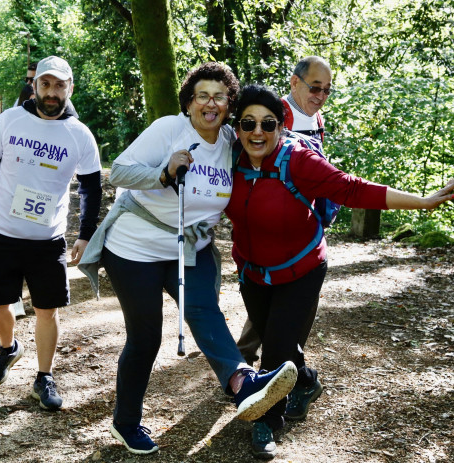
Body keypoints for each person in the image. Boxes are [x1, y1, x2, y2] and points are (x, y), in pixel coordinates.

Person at [226, 83, 454, 458]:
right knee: (281, 340)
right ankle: (305, 382)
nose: (258, 132)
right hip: (253, 273)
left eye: (268, 123)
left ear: (281, 127)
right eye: (248, 123)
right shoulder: (229, 159)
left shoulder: (298, 160)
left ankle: (267, 422)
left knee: (275, 350)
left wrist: (419, 202)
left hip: (301, 270)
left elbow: (352, 189)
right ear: (237, 126)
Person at [78, 62, 299, 456]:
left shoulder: (233, 139)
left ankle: (242, 383)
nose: (210, 104)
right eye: (202, 96)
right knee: (146, 337)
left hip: (190, 248)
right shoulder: (169, 129)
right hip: (135, 248)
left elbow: (272, 141)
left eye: (218, 96)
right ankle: (125, 422)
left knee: (203, 309)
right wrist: (163, 173)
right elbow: (120, 173)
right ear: (189, 101)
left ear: (229, 103)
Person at [0, 56, 102, 412]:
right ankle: (8, 347)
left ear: (70, 88)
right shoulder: (9, 121)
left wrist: (85, 234)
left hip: (47, 240)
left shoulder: (79, 135)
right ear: (35, 85)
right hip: (2, 234)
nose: (51, 92)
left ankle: (44, 376)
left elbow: (91, 189)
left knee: (47, 310)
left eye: (59, 85)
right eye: (45, 84)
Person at [237, 55, 334, 366]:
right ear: (295, 82)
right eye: (315, 88)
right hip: (270, 224)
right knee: (270, 296)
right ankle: (260, 363)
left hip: (308, 220)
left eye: (327, 91)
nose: (320, 97)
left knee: (292, 303)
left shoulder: (317, 120)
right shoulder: (273, 116)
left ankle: (276, 365)